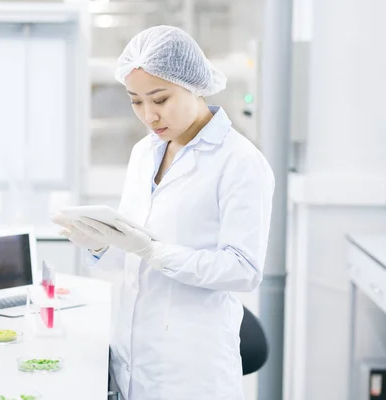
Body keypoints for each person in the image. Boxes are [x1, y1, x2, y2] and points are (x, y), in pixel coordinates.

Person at [52, 25, 274, 400]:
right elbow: (133, 256)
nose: (149, 115)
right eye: (136, 101)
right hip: (132, 354)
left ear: (194, 85)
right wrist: (100, 245)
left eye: (160, 98)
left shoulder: (240, 162)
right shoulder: (144, 153)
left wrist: (154, 251)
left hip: (190, 370)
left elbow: (243, 270)